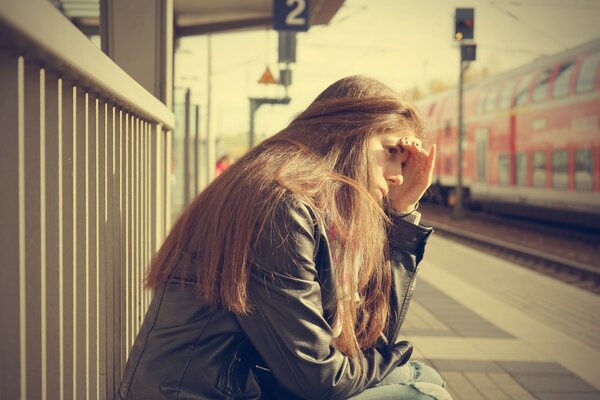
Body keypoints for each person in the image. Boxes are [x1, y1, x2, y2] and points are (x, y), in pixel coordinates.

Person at [117, 76, 452, 400]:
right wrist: (395, 357)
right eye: (391, 151)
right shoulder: (279, 208)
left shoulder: (304, 202)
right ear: (348, 136)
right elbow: (321, 380)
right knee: (421, 393)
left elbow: (367, 343)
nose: (397, 176)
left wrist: (401, 212)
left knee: (422, 377)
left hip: (253, 384)